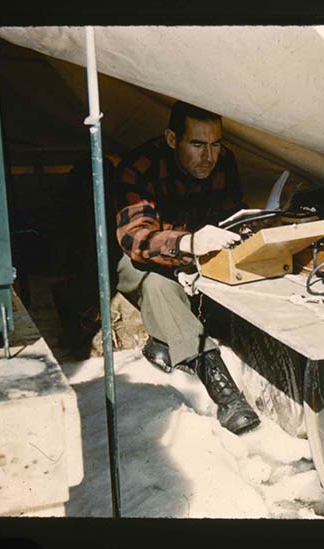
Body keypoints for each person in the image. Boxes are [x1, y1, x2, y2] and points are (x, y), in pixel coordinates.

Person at [114, 101, 260, 435]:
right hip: (137, 261)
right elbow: (136, 240)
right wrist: (188, 244)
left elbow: (232, 211)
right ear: (171, 139)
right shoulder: (139, 167)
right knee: (157, 284)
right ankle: (226, 396)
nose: (208, 156)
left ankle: (165, 341)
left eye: (215, 144)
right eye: (197, 144)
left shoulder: (224, 162)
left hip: (194, 260)